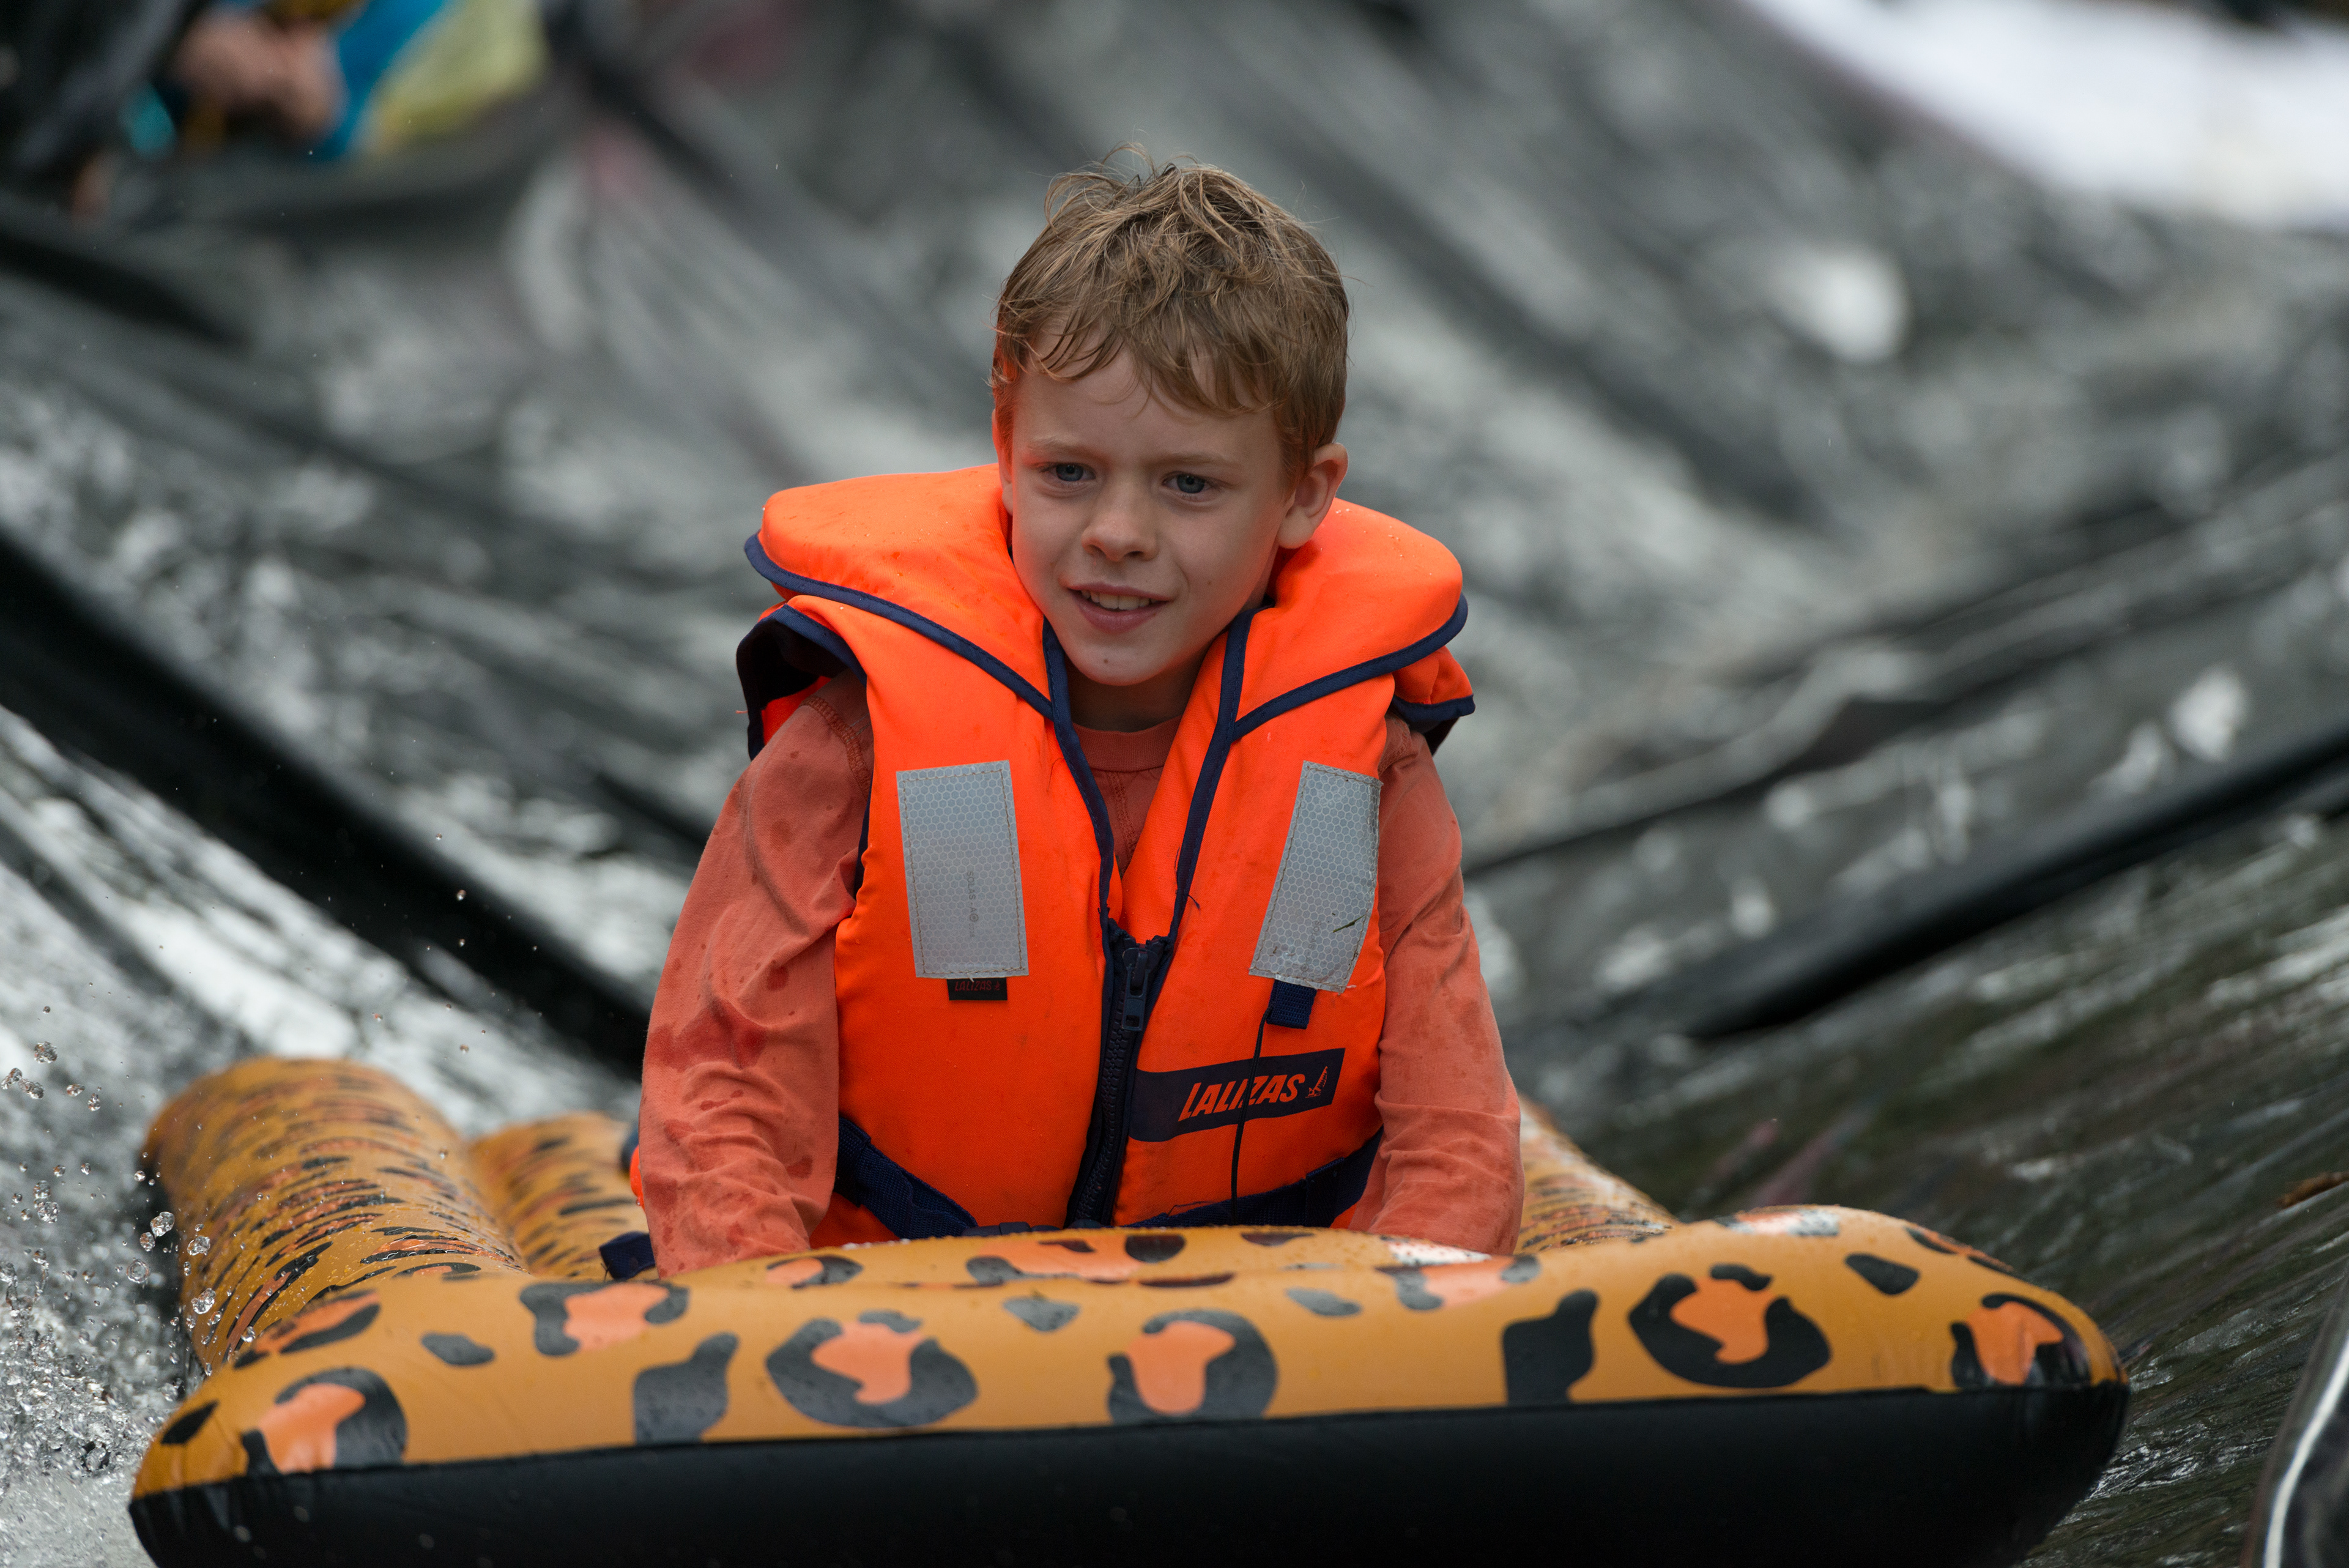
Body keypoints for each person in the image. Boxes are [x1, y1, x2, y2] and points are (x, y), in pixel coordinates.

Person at [638, 158, 1524, 1272]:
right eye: (1069, 473)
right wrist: (758, 1312)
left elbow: (1454, 1123)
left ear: (1304, 495)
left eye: (1189, 485)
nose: (1118, 533)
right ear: (1006, 454)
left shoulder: (1365, 778)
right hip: (892, 1297)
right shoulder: (860, 737)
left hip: (1261, 1309)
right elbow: (727, 1079)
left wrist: (1425, 1314)